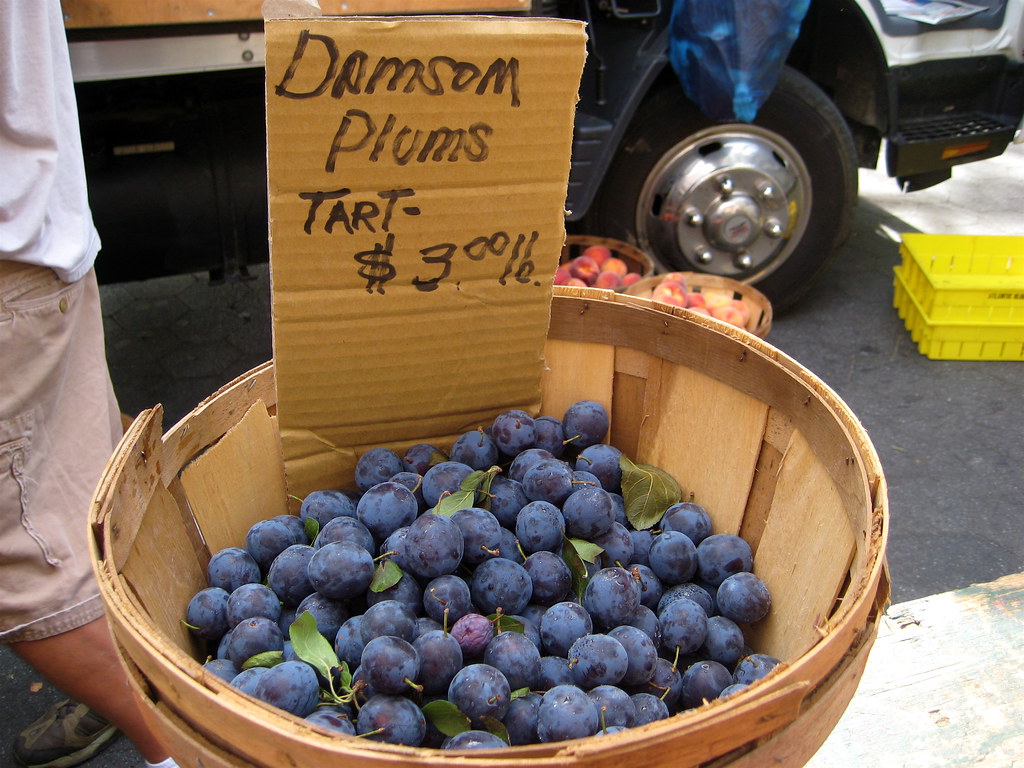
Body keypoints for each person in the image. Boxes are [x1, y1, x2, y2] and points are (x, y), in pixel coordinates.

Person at [0, 2, 180, 767]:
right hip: (33, 219)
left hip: (12, 251)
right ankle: (141, 693)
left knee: (33, 566)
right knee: (94, 530)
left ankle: (183, 743)